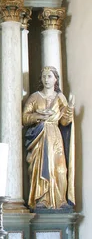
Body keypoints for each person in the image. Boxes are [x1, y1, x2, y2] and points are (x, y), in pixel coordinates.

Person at [22, 66, 75, 210]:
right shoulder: (35, 97)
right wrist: (39, 116)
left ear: (56, 79)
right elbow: (24, 117)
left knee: (60, 169)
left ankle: (60, 200)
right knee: (40, 167)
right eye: (44, 76)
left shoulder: (60, 98)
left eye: (50, 76)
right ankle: (42, 198)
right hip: (40, 135)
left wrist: (69, 107)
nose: (46, 79)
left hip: (55, 136)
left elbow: (64, 122)